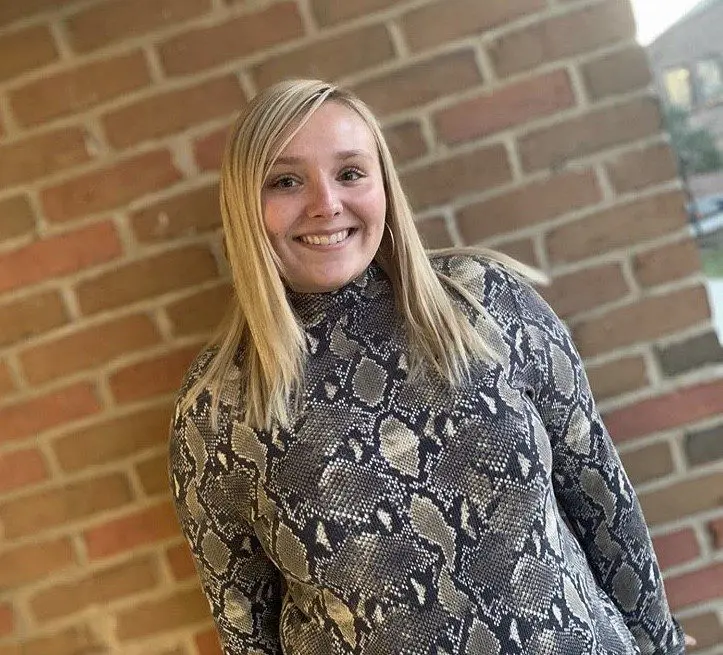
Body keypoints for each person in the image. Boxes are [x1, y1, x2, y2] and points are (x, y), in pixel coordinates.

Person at [168, 79, 688, 654]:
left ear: (383, 185)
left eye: (350, 173)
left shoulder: (487, 303)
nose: (325, 204)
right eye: (286, 181)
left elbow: (602, 501)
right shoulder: (219, 407)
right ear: (245, 205)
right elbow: (245, 625)